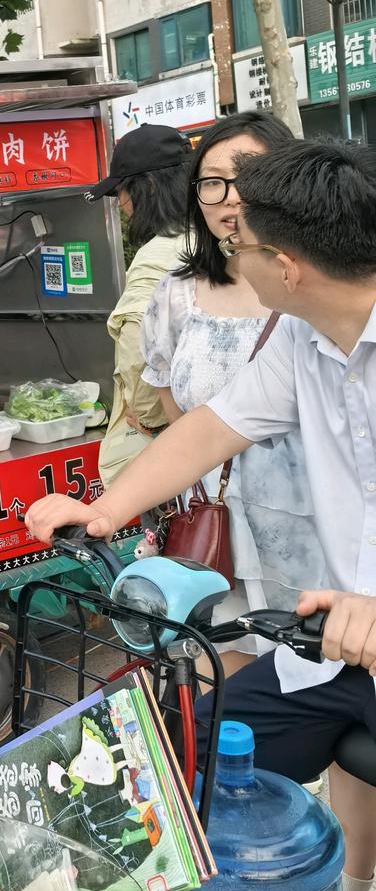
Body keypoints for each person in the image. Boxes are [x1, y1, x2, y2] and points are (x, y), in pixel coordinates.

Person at [24, 139, 376, 891]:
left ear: (286, 264)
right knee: (183, 752)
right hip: (334, 650)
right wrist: (106, 511)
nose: (226, 249)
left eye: (239, 242)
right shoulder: (301, 338)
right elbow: (215, 427)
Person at [139, 112, 325, 679]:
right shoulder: (174, 293)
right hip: (216, 527)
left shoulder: (321, 283)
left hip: (315, 530)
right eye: (211, 182)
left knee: (324, 677)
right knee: (224, 679)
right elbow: (176, 407)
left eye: (246, 176)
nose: (228, 198)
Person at [83, 124, 192, 485]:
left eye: (121, 193)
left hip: (172, 442)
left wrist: (146, 415)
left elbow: (137, 353)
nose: (122, 205)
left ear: (145, 188)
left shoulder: (155, 256)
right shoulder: (211, 238)